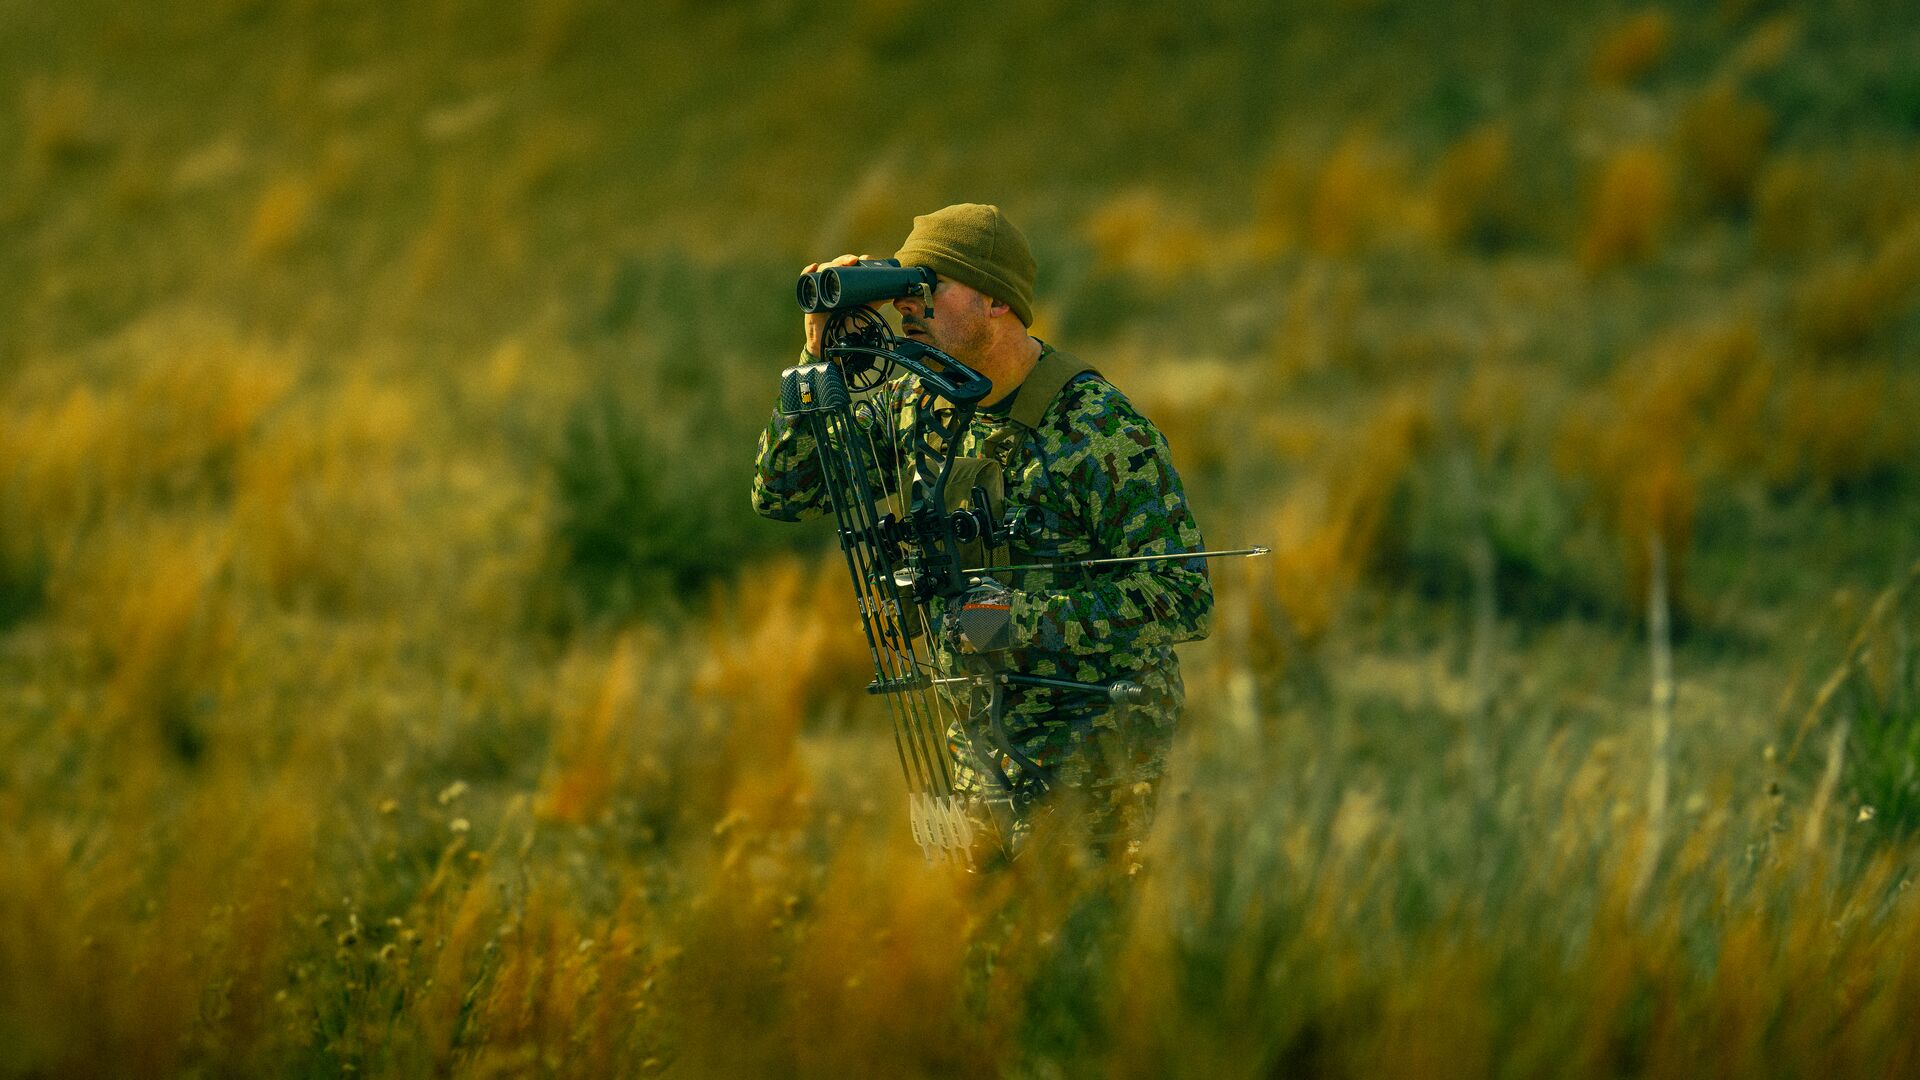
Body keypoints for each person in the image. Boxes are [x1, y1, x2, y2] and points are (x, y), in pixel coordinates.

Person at [752, 203, 1212, 867]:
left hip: (1100, 775)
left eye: (927, 288)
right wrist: (816, 352)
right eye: (901, 288)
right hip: (974, 768)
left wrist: (1012, 619)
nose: (908, 307)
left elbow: (1184, 593)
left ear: (995, 300)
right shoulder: (919, 403)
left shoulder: (1097, 430)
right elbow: (783, 492)